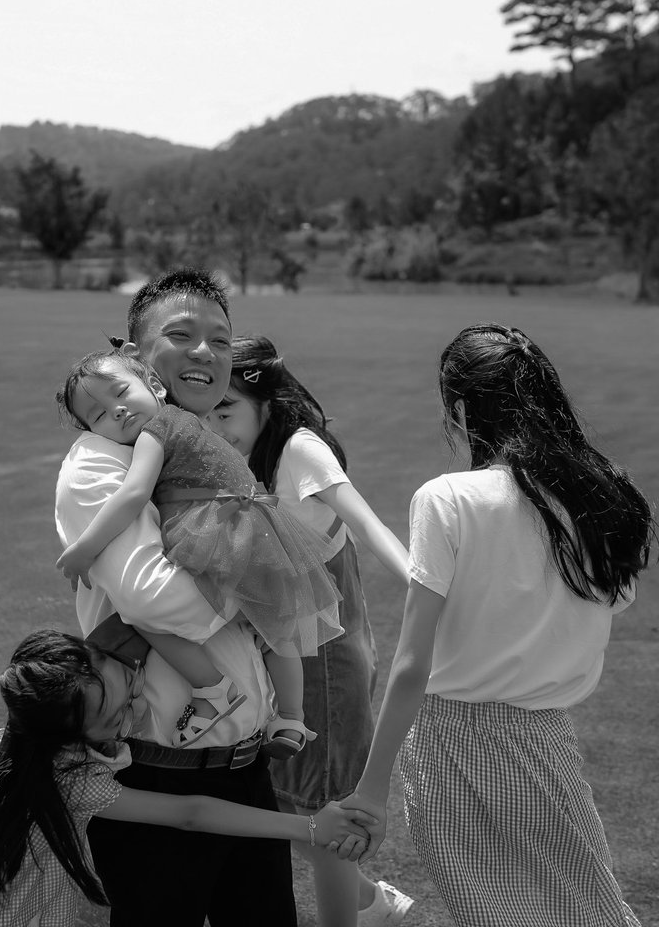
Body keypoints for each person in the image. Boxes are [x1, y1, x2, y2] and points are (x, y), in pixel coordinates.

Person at [344, 324, 659, 926]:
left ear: (461, 409)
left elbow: (413, 663)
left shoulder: (447, 499)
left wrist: (371, 788)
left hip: (449, 741)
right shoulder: (604, 499)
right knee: (583, 909)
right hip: (545, 739)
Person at [0, 627, 373, 927]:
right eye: (120, 712)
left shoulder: (36, 734)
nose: (135, 704)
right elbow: (190, 813)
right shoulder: (72, 776)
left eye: (126, 686)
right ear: (74, 735)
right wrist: (309, 830)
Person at [52, 269, 298, 926]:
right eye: (181, 335)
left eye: (220, 341)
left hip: (244, 771)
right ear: (135, 359)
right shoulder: (98, 462)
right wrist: (259, 580)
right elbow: (160, 604)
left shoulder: (200, 448)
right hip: (155, 779)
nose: (204, 354)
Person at [207, 335, 415, 927]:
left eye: (229, 410)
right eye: (210, 411)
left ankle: (359, 912)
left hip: (322, 654)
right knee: (280, 804)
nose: (219, 425)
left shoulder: (298, 450)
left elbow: (367, 523)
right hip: (281, 653)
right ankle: (373, 904)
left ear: (265, 402)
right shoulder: (230, 451)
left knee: (321, 815)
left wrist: (421, 585)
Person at [55, 343, 342, 754]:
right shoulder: (197, 421)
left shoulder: (158, 430)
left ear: (154, 385)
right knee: (277, 632)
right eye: (99, 414)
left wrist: (87, 547)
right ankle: (291, 719)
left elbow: (133, 494)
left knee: (145, 616)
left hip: (216, 529)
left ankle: (212, 689)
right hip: (256, 529)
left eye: (120, 393)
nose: (116, 410)